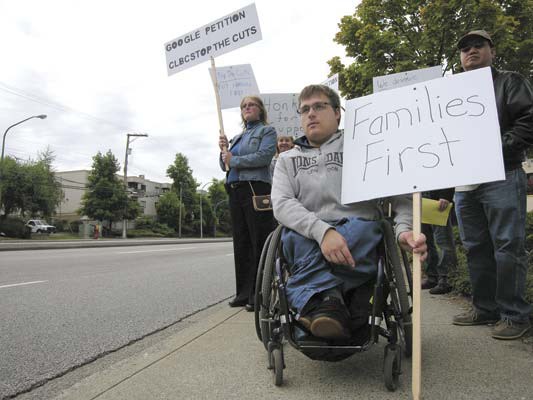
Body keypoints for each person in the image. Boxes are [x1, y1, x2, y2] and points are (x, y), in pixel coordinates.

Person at [271, 84, 427, 340]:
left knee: (367, 229)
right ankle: (337, 304)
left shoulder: (364, 147)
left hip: (357, 230)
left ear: (337, 113)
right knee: (292, 238)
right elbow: (282, 204)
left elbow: (399, 194)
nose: (311, 113)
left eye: (319, 106)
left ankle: (318, 300)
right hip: (309, 232)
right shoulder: (286, 160)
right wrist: (323, 233)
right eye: (305, 109)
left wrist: (404, 231)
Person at [452, 30, 533, 339]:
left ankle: (515, 314)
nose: (470, 51)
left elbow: (529, 120)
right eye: (464, 49)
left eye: (477, 46)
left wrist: (495, 149)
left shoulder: (510, 82)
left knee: (508, 246)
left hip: (501, 174)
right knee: (475, 247)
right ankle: (485, 308)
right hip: (465, 183)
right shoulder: (452, 93)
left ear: (492, 51)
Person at [219, 96, 277, 312]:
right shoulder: (237, 136)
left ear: (260, 110)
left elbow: (263, 157)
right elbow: (225, 165)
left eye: (251, 105)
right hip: (235, 190)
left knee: (258, 241)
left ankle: (258, 294)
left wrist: (233, 160)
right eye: (244, 106)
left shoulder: (266, 132)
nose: (247, 108)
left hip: (256, 190)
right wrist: (224, 151)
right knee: (241, 243)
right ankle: (243, 293)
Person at [421, 188, 457, 295]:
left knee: (443, 240)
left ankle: (446, 279)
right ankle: (432, 277)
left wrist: (446, 195)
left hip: (437, 197)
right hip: (419, 197)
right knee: (424, 239)